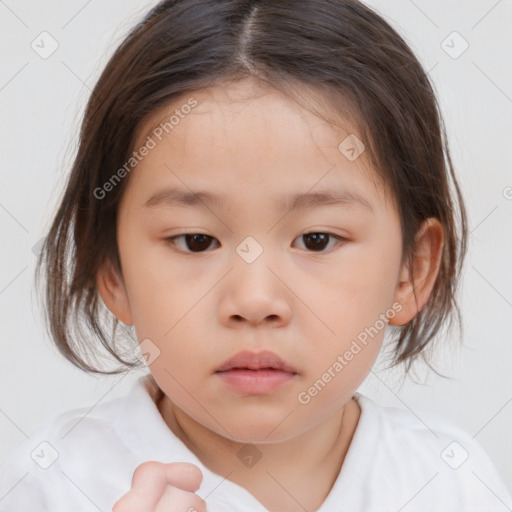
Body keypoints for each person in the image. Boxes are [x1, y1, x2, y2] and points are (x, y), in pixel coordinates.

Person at [0, 1, 511, 511]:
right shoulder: (58, 483)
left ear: (411, 271)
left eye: (316, 240)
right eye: (196, 241)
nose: (254, 300)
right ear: (111, 269)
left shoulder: (450, 482)